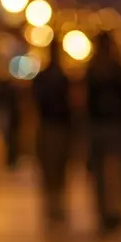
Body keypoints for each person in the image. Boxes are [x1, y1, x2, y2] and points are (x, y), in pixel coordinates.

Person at [85, 31, 121, 236]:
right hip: (111, 127)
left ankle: (108, 212)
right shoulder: (116, 69)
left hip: (103, 128)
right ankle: (112, 211)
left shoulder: (94, 69)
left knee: (104, 174)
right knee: (113, 172)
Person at [32, 41, 74, 229]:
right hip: (55, 128)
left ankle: (54, 206)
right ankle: (55, 207)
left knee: (52, 171)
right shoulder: (62, 78)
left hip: (53, 128)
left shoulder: (46, 78)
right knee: (56, 171)